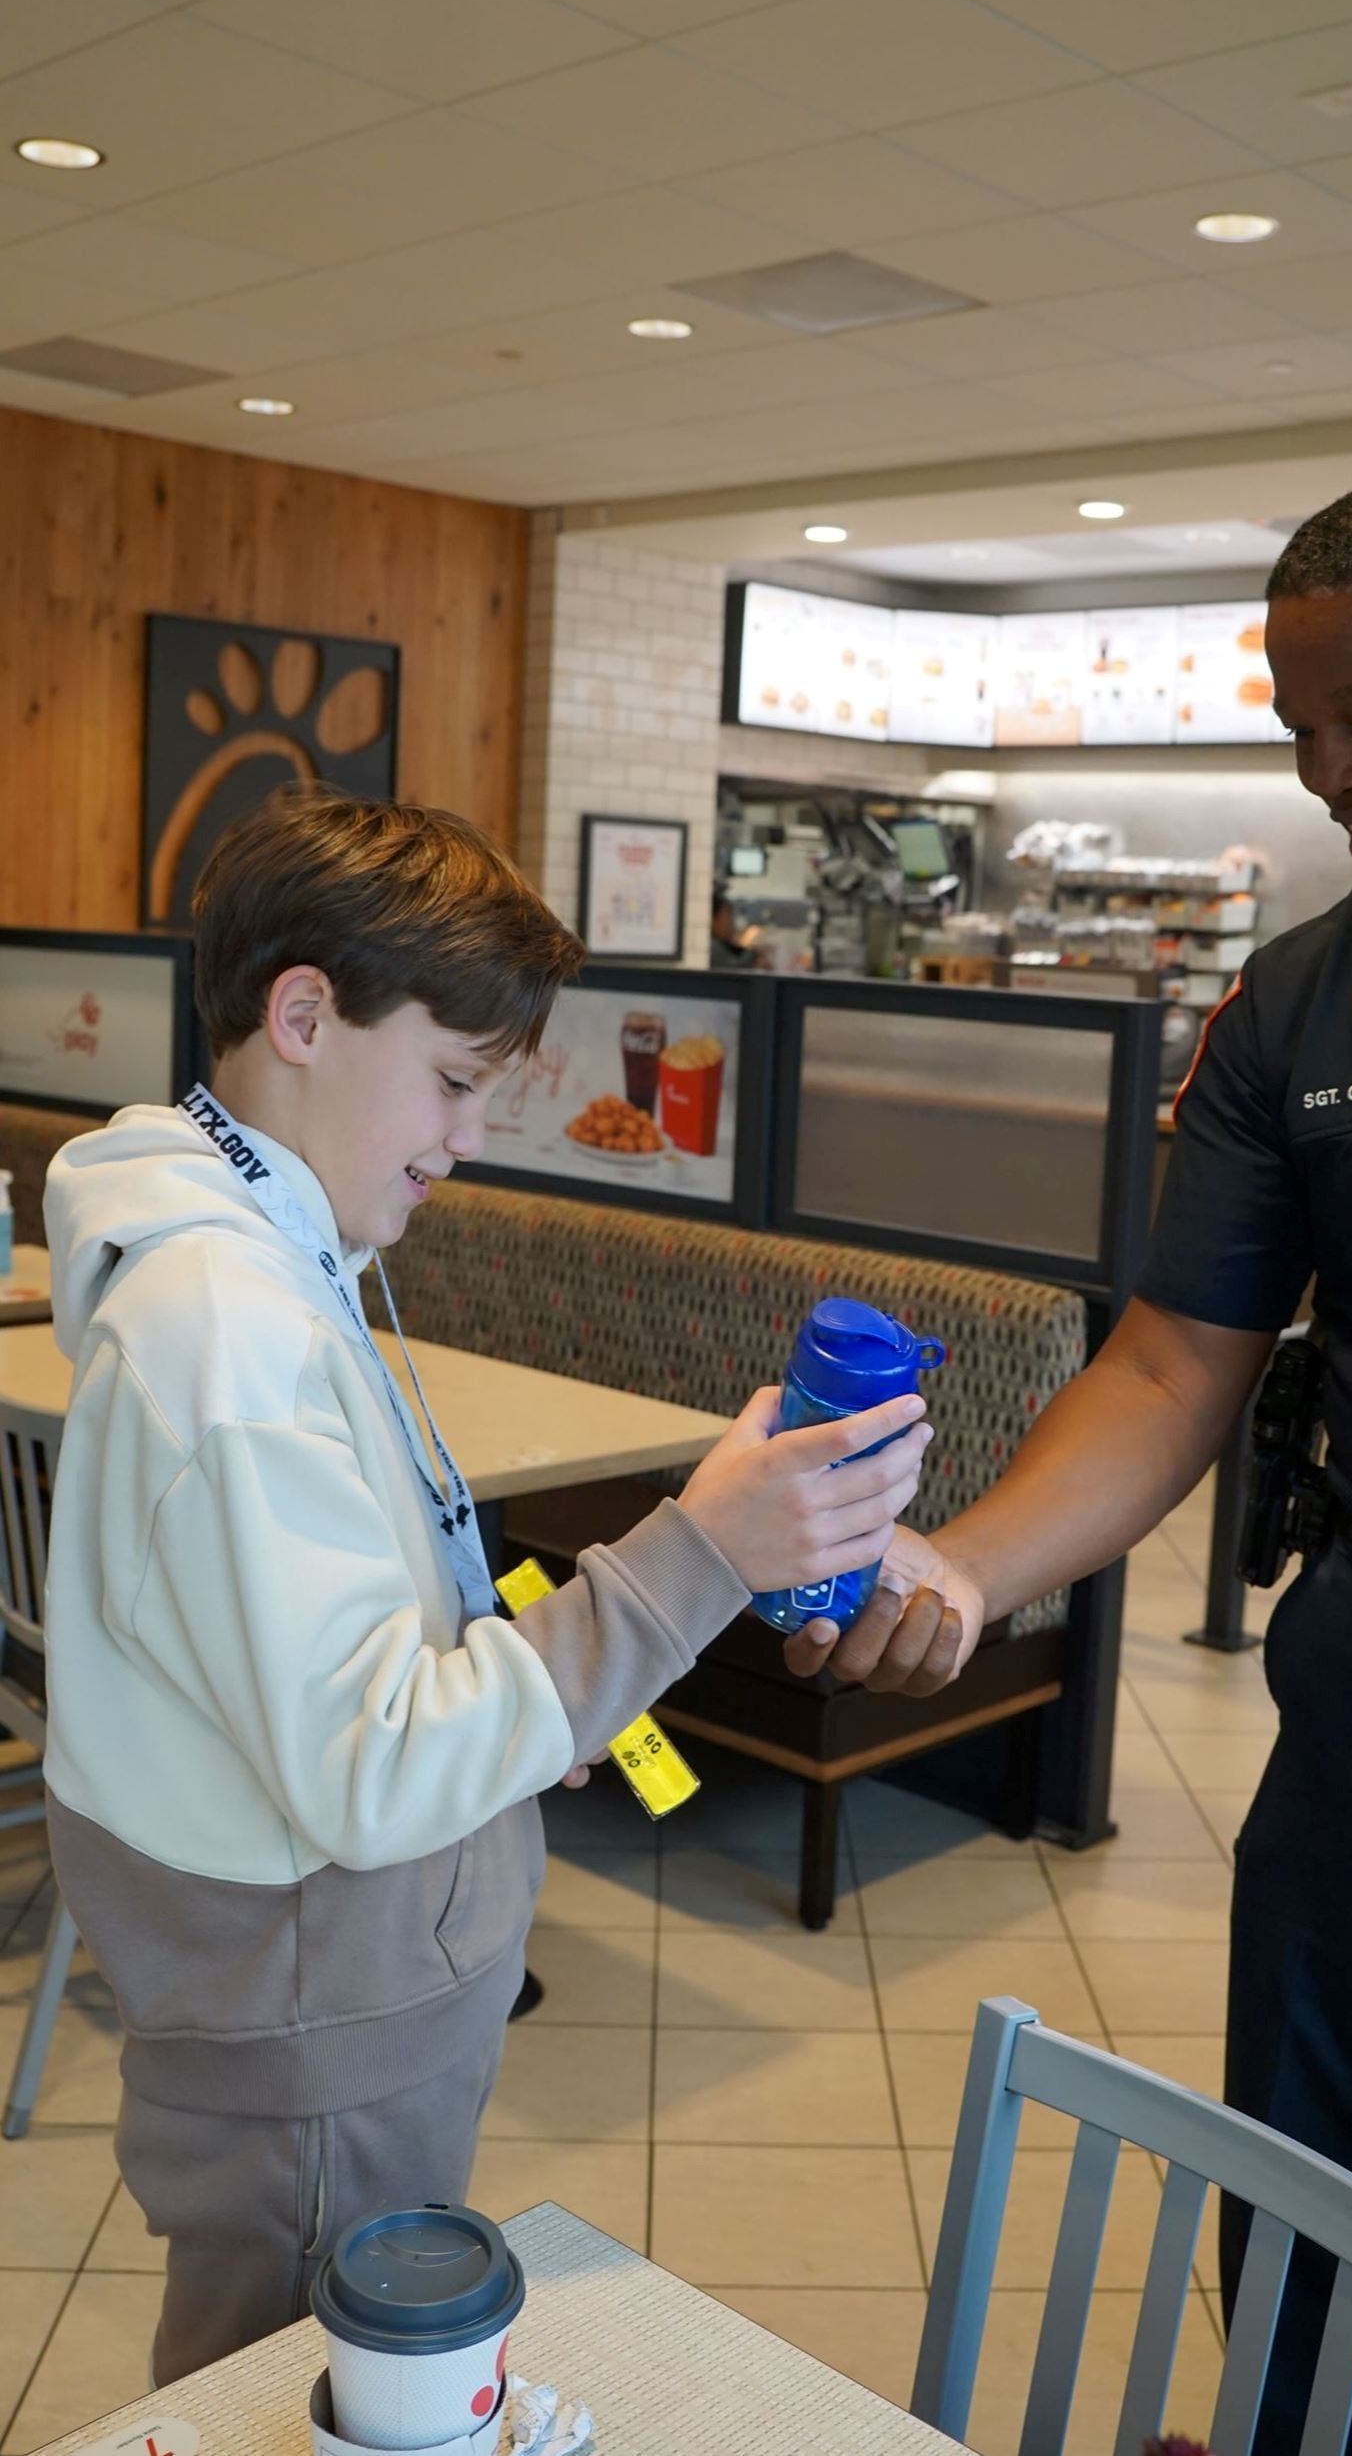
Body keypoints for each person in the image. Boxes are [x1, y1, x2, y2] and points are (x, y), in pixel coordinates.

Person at [790, 470, 1352, 2450]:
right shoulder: (1298, 999)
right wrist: (963, 1568)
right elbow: (1178, 1360)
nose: (1330, 779)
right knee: (1311, 2254)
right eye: (1297, 733)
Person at [42, 790, 931, 2385]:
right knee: (299, 2393)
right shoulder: (231, 1327)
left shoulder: (280, 1250)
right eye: (452, 1083)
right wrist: (705, 1551)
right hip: (314, 2027)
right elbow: (379, 1762)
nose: (464, 1138)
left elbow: (353, 1656)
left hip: (327, 1997)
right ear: (301, 1014)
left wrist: (528, 1700)